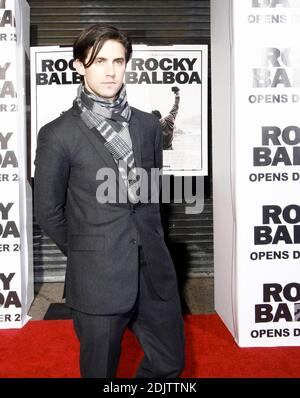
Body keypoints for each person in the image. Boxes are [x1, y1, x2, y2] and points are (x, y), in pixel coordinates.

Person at [34, 24, 185, 378]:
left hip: (153, 270)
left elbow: (151, 192)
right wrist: (88, 251)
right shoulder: (58, 134)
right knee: (100, 371)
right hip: (98, 276)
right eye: (99, 60)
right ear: (78, 66)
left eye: (118, 61)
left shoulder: (148, 126)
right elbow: (48, 210)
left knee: (170, 362)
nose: (110, 70)